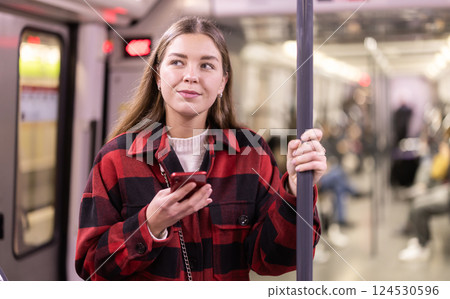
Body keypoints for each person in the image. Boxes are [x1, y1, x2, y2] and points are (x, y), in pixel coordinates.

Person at [75, 16, 327, 281]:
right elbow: (92, 268)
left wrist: (295, 194)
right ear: (158, 77)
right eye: (177, 62)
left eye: (206, 65)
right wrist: (150, 224)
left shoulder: (250, 153)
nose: (191, 76)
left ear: (222, 82)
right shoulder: (117, 158)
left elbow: (274, 261)